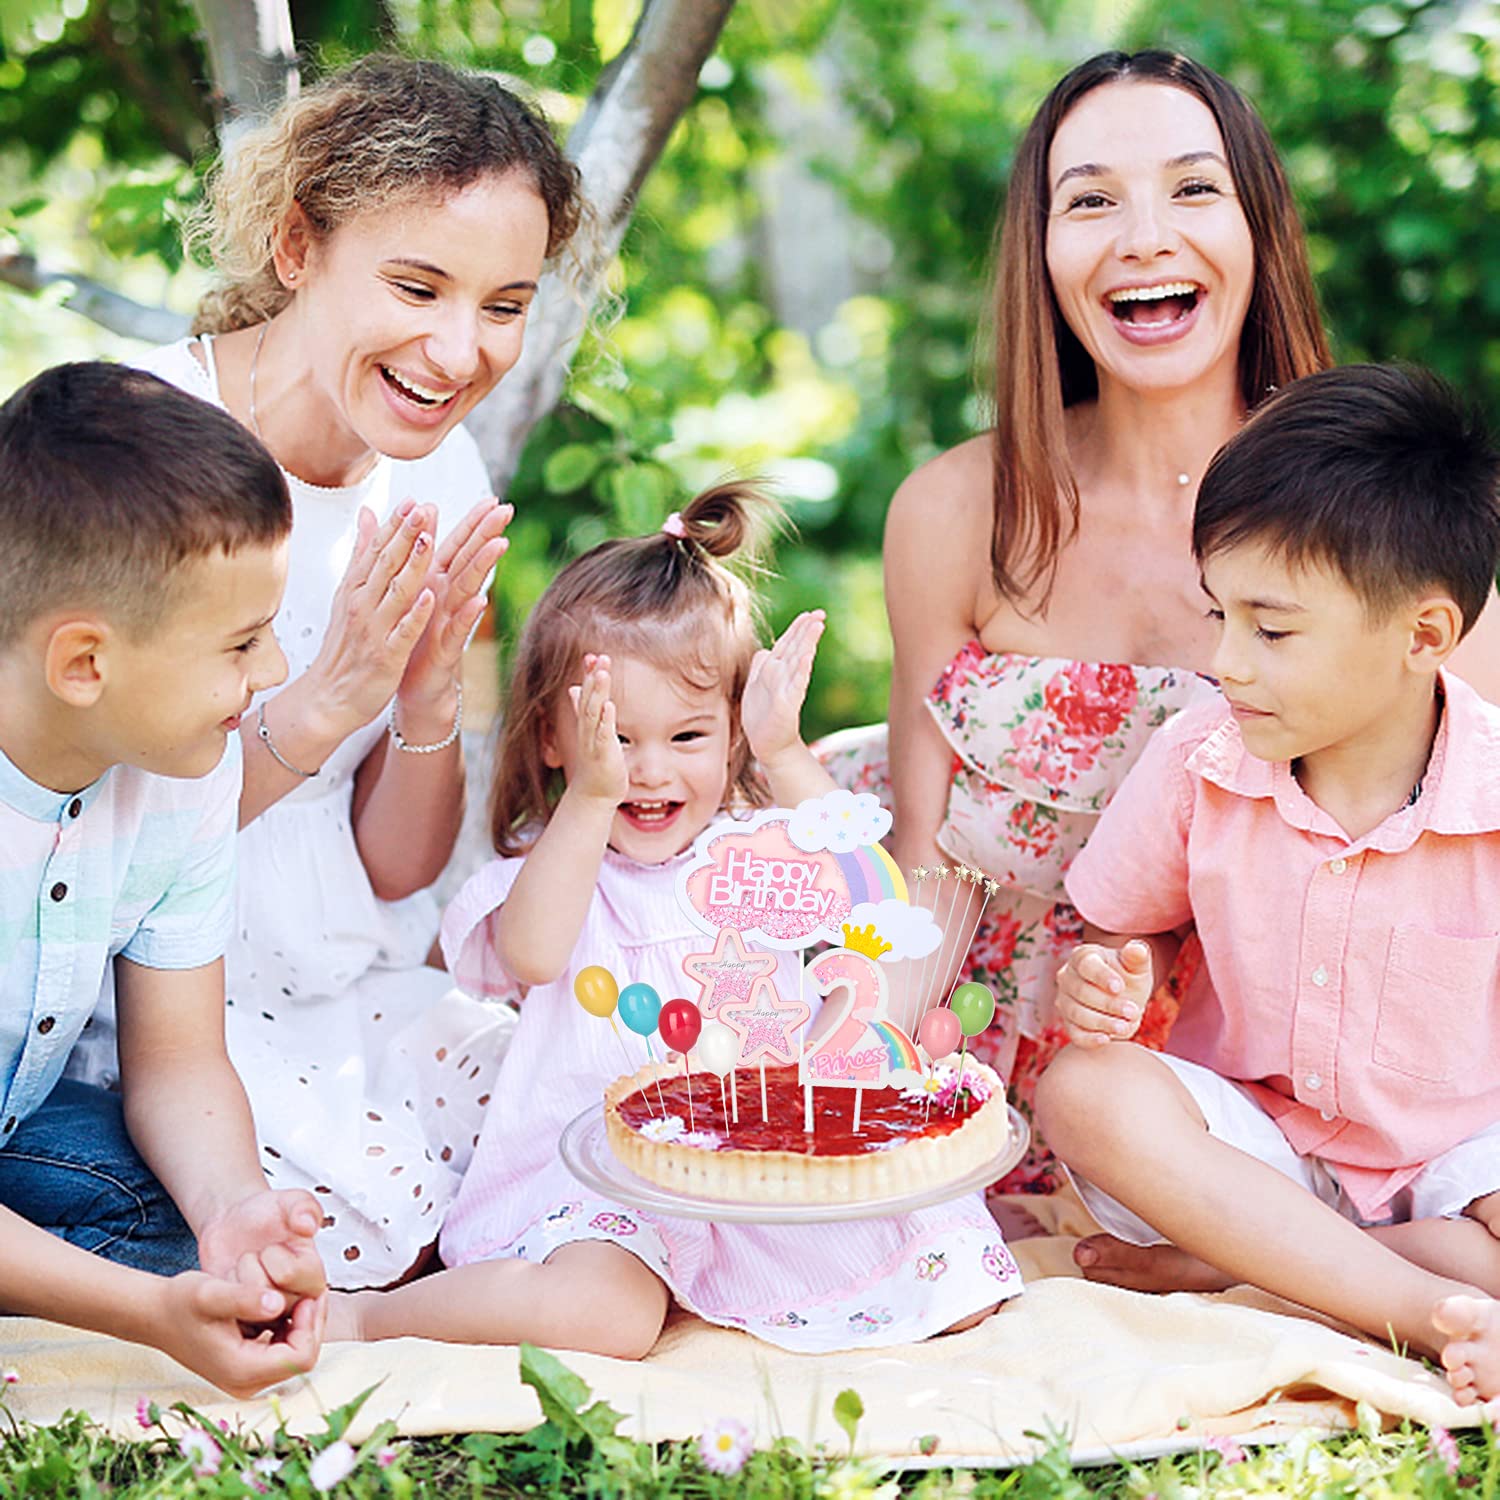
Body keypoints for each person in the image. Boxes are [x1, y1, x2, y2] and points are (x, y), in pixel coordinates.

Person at [823, 49, 1500, 1192]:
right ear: (1042, 256)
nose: (1142, 237)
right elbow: (919, 864)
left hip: (1318, 1087)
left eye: (1193, 189)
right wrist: (875, 1084)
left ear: (1259, 233)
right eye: (1090, 200)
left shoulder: (1385, 513)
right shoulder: (952, 511)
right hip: (1011, 1062)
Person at [68, 55, 586, 1286]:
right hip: (152, 1006)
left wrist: (415, 709)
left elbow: (396, 866)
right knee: (372, 1232)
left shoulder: (444, 483)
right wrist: (324, 702)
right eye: (418, 285)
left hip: (341, 981)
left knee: (573, 1138)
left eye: (506, 304)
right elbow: (90, 828)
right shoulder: (145, 454)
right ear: (297, 245)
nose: (460, 350)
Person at [323, 485, 1023, 1355]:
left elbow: (871, 890)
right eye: (616, 737)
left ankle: (759, 1281)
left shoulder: (756, 852)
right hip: (600, 1173)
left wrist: (783, 749)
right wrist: (588, 799)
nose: (648, 771)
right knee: (605, 1319)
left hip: (759, 1157)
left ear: (729, 735)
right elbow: (533, 955)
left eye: (688, 737)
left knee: (950, 1275)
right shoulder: (558, 870)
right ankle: (369, 1315)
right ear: (551, 737)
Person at [1037, 364, 1500, 1406]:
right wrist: (1116, 978)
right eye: (1220, 619)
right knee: (1086, 1093)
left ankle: (1257, 1267)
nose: (1230, 665)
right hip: (1254, 1144)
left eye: (1273, 630)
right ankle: (1421, 1307)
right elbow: (1125, 931)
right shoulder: (1200, 756)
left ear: (1424, 637)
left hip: (1455, 1162)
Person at [0, 362, 327, 1395]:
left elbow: (178, 1060)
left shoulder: (186, 774)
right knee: (152, 1278)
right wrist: (148, 1314)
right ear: (85, 664)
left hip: (23, 1131)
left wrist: (231, 1212)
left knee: (180, 1231)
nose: (272, 673)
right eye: (241, 642)